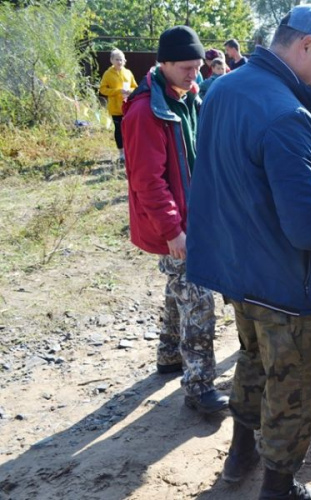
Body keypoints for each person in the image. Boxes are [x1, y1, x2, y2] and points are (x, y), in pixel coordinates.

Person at [185, 5, 311, 498]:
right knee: (293, 391)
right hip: (286, 281)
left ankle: (240, 457)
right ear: (306, 45)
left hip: (239, 269)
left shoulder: (224, 87)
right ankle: (277, 490)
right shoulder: (287, 114)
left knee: (253, 362)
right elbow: (307, 227)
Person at [121, 26, 228, 414]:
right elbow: (147, 181)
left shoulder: (189, 97)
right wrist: (173, 232)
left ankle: (168, 354)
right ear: (163, 64)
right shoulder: (143, 112)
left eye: (198, 66)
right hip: (176, 226)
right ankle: (199, 388)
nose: (194, 74)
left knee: (178, 286)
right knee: (198, 299)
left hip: (196, 219)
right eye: (186, 67)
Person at [99, 49, 136, 162]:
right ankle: (121, 153)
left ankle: (130, 152)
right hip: (116, 108)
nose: (119, 62)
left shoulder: (128, 72)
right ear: (111, 60)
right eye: (117, 59)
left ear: (124, 60)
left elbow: (135, 87)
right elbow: (103, 90)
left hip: (128, 107)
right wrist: (117, 91)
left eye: (121, 59)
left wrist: (130, 91)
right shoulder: (108, 74)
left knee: (130, 131)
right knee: (119, 131)